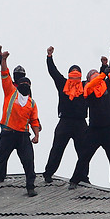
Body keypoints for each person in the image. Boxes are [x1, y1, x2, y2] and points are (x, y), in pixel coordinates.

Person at [0, 47, 41, 198]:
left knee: (29, 163)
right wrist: (3, 59)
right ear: (18, 84)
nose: (26, 87)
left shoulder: (31, 102)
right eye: (24, 84)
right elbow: (4, 74)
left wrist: (36, 135)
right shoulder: (10, 92)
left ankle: (30, 187)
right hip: (8, 134)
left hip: (23, 136)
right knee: (0, 162)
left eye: (28, 85)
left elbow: (34, 120)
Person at [69, 45, 110, 190]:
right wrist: (103, 73)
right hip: (95, 129)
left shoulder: (107, 84)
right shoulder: (87, 88)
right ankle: (75, 180)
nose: (95, 75)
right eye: (93, 74)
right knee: (85, 155)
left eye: (96, 73)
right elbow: (93, 84)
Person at [42, 46, 87, 183]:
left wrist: (104, 69)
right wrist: (49, 57)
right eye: (72, 73)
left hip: (80, 123)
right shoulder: (63, 84)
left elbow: (99, 82)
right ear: (68, 75)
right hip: (65, 122)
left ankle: (83, 177)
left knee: (84, 152)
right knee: (57, 149)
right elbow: (53, 72)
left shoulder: (85, 86)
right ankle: (48, 173)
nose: (74, 75)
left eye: (77, 74)